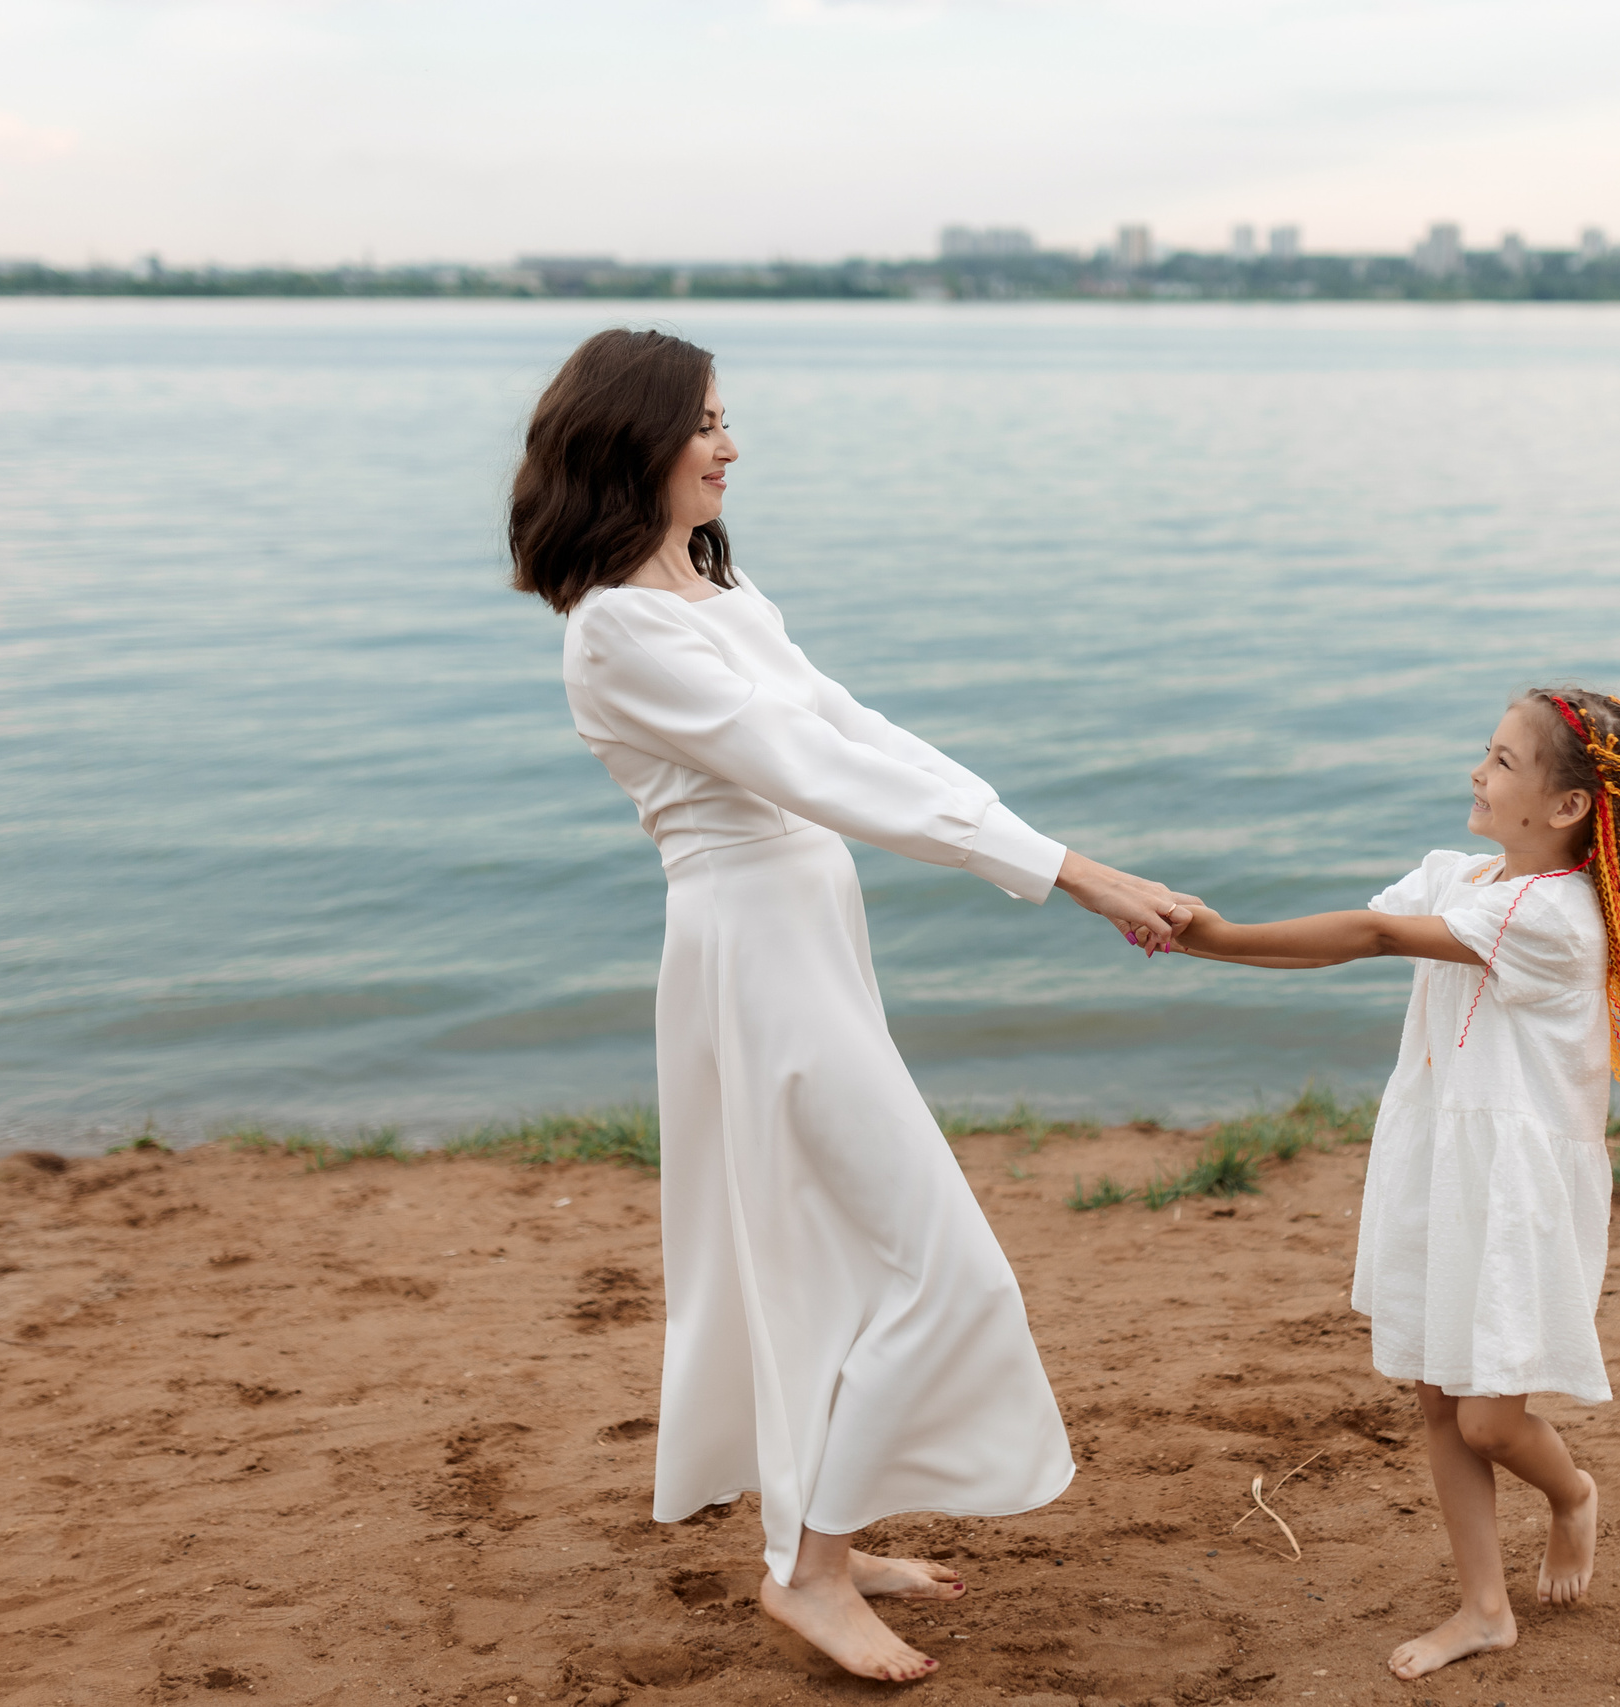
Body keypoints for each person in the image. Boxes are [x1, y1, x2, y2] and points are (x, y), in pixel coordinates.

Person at [509, 329, 1196, 1683]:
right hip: (754, 950)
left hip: (808, 934)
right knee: (940, 1258)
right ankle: (810, 1573)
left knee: (816, 1248)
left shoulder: (716, 589)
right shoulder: (616, 631)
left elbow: (858, 728)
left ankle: (816, 1530)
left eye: (725, 418)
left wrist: (1053, 844)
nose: (729, 443)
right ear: (631, 438)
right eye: (703, 422)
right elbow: (808, 767)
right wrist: (1059, 872)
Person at [1156, 688, 1620, 1682]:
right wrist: (1197, 926)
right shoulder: (1463, 876)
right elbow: (1366, 925)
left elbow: (1375, 935)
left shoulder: (1558, 920)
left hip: (1513, 1188)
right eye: (1483, 753)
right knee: (1439, 1402)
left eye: (1500, 761)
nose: (1476, 774)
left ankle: (1570, 1496)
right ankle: (1484, 1607)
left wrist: (1211, 938)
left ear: (1567, 807)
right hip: (1441, 1166)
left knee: (1489, 1418)